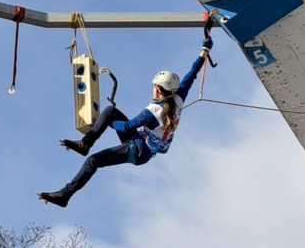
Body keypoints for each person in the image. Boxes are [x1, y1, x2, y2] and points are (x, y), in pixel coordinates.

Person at [38, 36, 214, 208]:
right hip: (142, 141)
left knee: (93, 160)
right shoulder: (178, 98)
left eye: (154, 86)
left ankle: (65, 195)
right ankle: (85, 144)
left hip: (138, 151)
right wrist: (205, 50)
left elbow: (126, 126)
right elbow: (192, 73)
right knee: (110, 111)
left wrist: (108, 123)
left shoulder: (151, 113)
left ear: (159, 90)